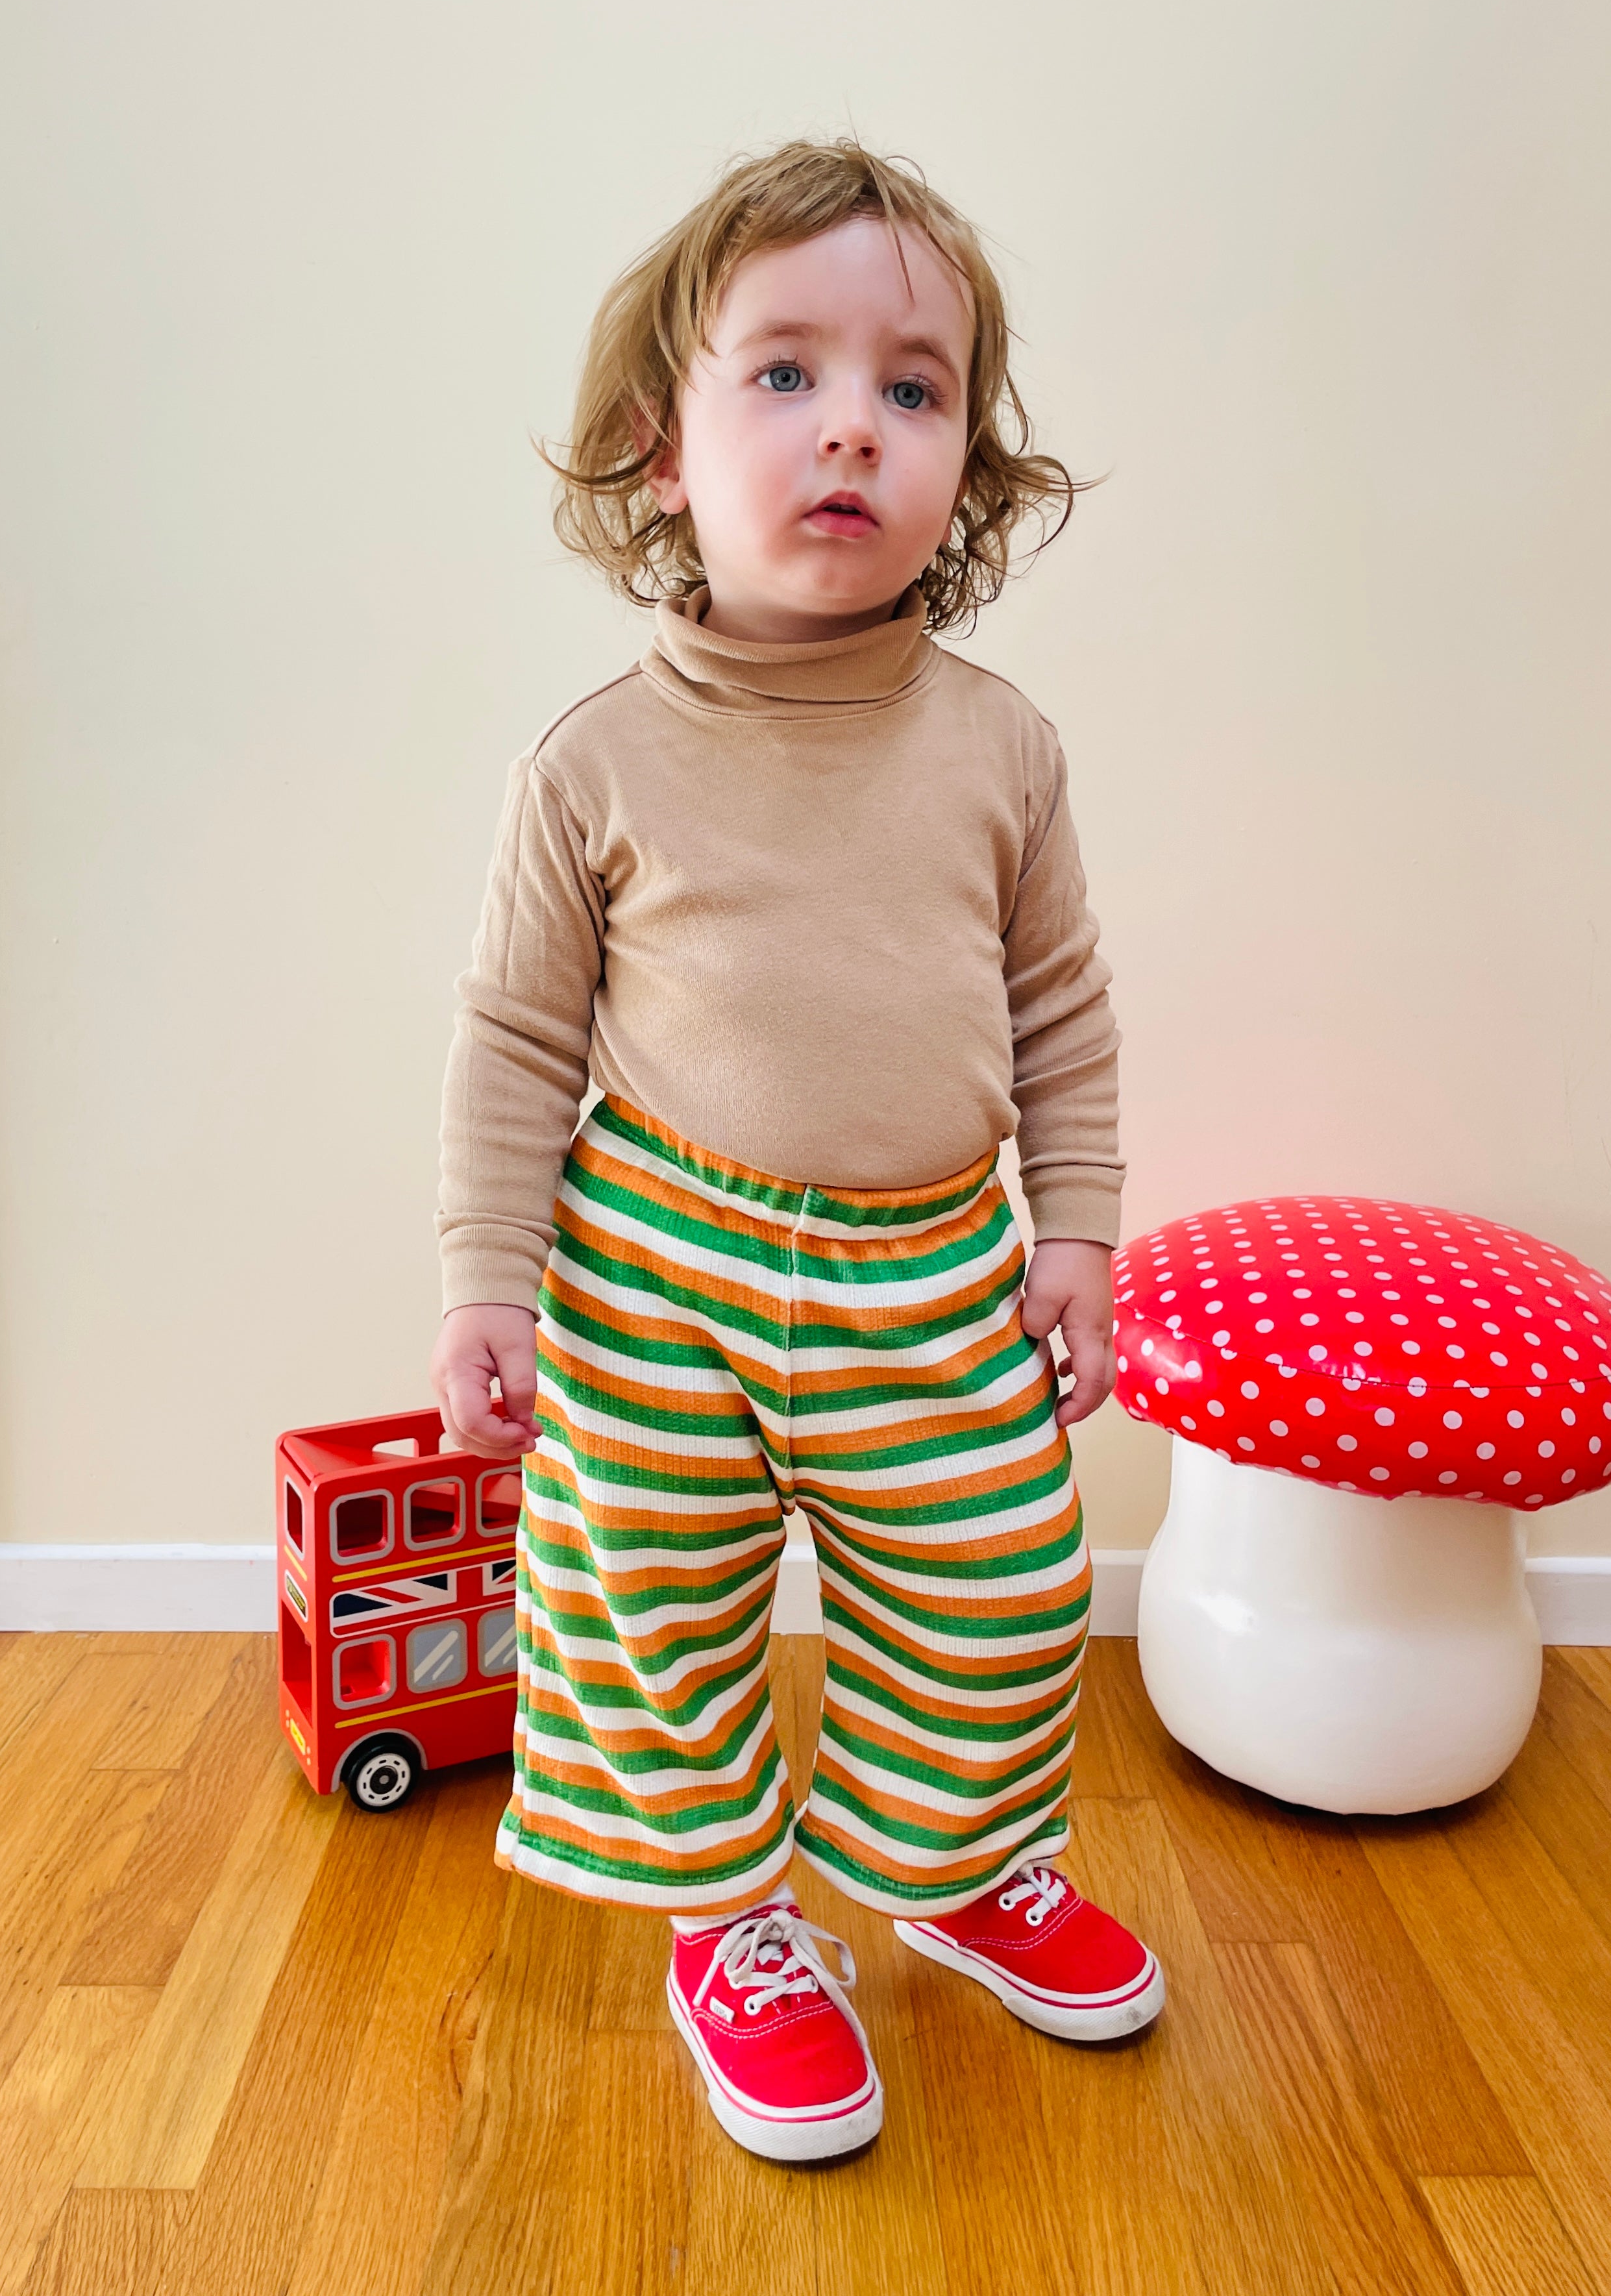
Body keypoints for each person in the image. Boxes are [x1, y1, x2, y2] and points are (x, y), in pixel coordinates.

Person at [429, 138, 1164, 2164]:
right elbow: (511, 1034)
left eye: (913, 389)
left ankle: (952, 1858)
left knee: (1002, 1579)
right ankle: (731, 1923)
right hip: (658, 1255)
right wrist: (488, 1278)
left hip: (933, 1257)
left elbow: (1063, 1013)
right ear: (661, 452)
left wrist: (1079, 1234)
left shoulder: (1002, 747)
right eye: (785, 373)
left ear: (965, 472)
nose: (854, 420)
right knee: (646, 1598)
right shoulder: (591, 758)